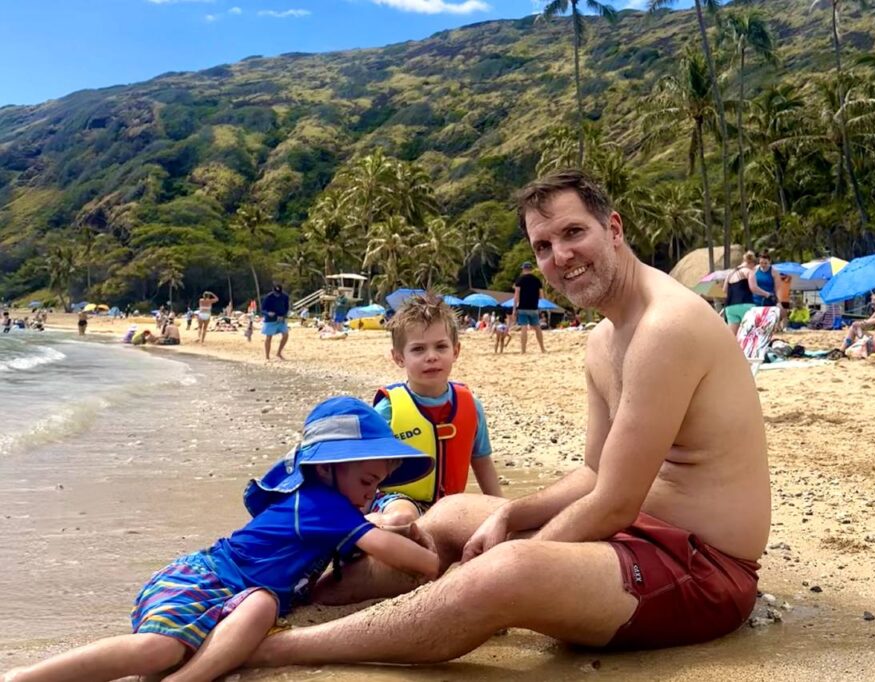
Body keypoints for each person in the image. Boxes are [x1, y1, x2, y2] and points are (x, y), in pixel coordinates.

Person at [247, 169, 770, 670]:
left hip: (703, 570)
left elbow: (614, 502)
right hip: (638, 535)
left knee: (504, 571)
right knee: (452, 516)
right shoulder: (605, 339)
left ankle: (275, 649)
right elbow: (595, 474)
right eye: (543, 246)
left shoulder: (666, 328)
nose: (561, 256)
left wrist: (515, 554)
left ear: (613, 229)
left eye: (573, 233)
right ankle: (289, 598)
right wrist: (510, 516)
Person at [3, 397, 438, 682]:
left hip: (243, 592)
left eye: (378, 486)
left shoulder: (336, 509)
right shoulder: (320, 505)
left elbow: (380, 525)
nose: (371, 494)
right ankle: (28, 677)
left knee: (263, 603)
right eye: (366, 481)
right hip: (202, 578)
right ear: (325, 469)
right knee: (158, 649)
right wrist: (430, 556)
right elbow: (405, 557)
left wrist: (390, 515)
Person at [367, 294, 504, 529]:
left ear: (456, 351)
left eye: (441, 346)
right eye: (418, 349)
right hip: (397, 501)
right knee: (404, 519)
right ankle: (360, 529)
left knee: (492, 519)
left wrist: (503, 512)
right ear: (399, 357)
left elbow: (482, 464)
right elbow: (363, 470)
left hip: (450, 505)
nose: (431, 356)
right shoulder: (388, 410)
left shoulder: (470, 406)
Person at [513, 262, 546, 354]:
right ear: (531, 269)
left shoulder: (520, 280)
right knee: (537, 328)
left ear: (523, 269)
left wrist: (514, 309)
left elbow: (516, 296)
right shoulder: (537, 280)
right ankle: (542, 348)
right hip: (534, 307)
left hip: (523, 307)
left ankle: (523, 350)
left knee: (524, 328)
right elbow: (541, 296)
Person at [724, 251, 757, 334]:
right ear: (752, 263)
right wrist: (766, 294)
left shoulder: (730, 273)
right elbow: (753, 288)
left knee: (732, 336)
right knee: (749, 333)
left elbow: (724, 290)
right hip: (745, 304)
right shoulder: (749, 271)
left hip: (730, 306)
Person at [261, 284, 290, 361]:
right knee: (269, 337)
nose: (277, 295)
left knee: (286, 335)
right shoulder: (268, 297)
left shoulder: (285, 296)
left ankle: (279, 352)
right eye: (276, 293)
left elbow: (287, 308)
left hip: (281, 318)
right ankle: (267, 356)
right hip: (270, 319)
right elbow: (263, 309)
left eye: (279, 293)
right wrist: (268, 313)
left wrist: (284, 316)